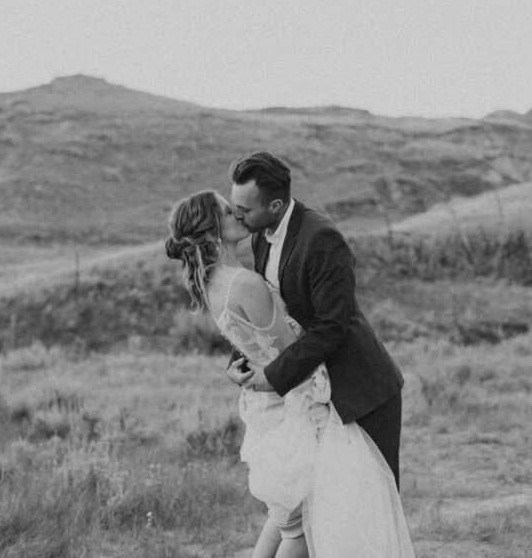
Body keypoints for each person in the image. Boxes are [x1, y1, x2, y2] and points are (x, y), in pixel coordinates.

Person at [166, 190, 413, 558]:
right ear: (211, 228)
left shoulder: (214, 282)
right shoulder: (244, 283)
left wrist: (244, 365)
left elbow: (249, 339)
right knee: (304, 526)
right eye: (224, 209)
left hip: (267, 404)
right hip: (297, 404)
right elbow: (289, 352)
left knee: (287, 518)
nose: (235, 212)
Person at [228, 151, 405, 487]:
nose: (237, 215)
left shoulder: (321, 238)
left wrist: (276, 375)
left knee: (373, 499)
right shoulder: (259, 236)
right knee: (325, 501)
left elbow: (330, 325)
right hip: (317, 394)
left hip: (360, 390)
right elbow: (271, 310)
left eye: (245, 210)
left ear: (276, 206)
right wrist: (242, 359)